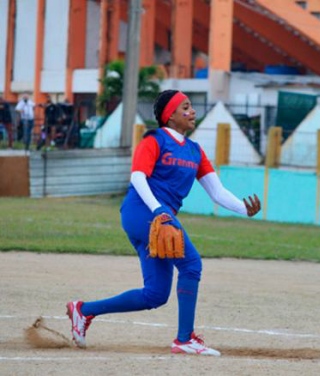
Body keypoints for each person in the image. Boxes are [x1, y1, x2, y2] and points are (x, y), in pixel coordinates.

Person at [66, 90, 262, 355]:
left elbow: (216, 191)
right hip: (143, 212)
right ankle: (185, 340)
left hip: (161, 219)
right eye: (186, 107)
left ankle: (83, 311)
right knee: (191, 264)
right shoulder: (154, 139)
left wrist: (243, 208)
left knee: (155, 295)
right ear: (169, 116)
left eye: (191, 107)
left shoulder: (194, 151)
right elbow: (138, 178)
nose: (192, 112)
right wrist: (159, 210)